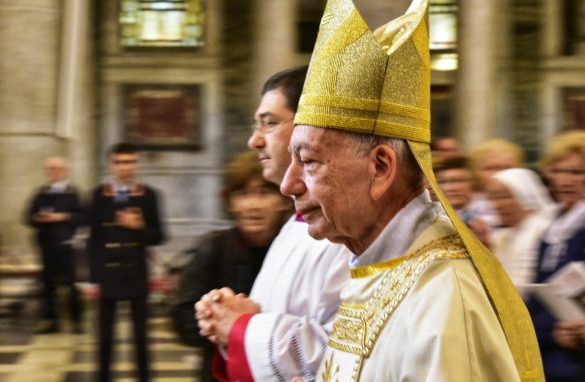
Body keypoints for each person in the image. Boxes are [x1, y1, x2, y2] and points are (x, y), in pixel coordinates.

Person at [279, 0, 542, 380]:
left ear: (381, 167)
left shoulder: (444, 300)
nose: (288, 184)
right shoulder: (377, 266)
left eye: (310, 161)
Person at [195, 66, 351, 381]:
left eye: (268, 123)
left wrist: (243, 328)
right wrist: (228, 322)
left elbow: (349, 354)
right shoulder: (294, 224)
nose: (254, 140)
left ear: (310, 127)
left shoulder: (347, 233)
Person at [172, 151, 292, 381]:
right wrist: (215, 319)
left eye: (265, 193)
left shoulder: (292, 248)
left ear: (283, 201)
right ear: (230, 203)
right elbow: (182, 316)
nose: (253, 205)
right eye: (243, 194)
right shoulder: (214, 248)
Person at [87, 143, 166, 382]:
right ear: (111, 165)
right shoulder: (99, 195)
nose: (125, 167)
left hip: (136, 273)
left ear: (136, 164)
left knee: (141, 339)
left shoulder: (148, 195)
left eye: (130, 162)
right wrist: (92, 279)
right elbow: (93, 240)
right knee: (105, 339)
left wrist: (140, 226)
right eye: (120, 162)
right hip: (107, 274)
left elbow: (160, 236)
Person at [527, 130, 585, 381]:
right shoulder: (550, 232)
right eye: (559, 171)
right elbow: (541, 297)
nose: (566, 180)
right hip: (548, 352)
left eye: (577, 172)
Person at [25, 157, 83, 334]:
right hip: (46, 245)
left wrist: (61, 217)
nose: (53, 172)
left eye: (57, 169)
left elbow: (83, 217)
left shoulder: (73, 193)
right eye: (50, 169)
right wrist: (38, 218)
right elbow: (28, 216)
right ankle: (50, 320)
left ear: (65, 171)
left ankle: (76, 321)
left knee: (70, 284)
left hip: (66, 246)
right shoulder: (41, 193)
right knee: (48, 285)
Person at [485, 168, 555, 290]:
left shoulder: (542, 231)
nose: (497, 205)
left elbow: (524, 286)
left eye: (504, 196)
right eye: (493, 198)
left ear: (525, 196)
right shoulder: (503, 235)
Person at [468, 138, 526, 229]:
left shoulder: (526, 206)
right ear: (474, 172)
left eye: (506, 168)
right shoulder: (465, 206)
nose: (499, 174)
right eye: (490, 168)